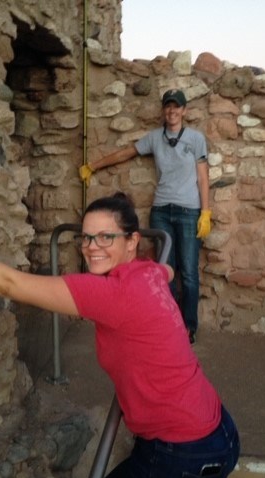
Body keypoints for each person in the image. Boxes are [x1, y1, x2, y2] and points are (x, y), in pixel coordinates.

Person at [0, 192, 239, 478]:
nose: (91, 246)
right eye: (86, 237)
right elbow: (168, 267)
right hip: (216, 429)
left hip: (184, 452)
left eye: (105, 237)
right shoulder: (146, 271)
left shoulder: (110, 294)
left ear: (132, 241)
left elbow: (9, 283)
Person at [80, 89, 211, 344]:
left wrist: (205, 212)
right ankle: (169, 321)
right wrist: (93, 166)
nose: (172, 111)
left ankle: (189, 327)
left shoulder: (195, 139)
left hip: (188, 211)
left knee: (189, 273)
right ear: (164, 110)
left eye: (177, 107)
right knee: (165, 269)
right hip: (161, 210)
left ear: (184, 111)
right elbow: (127, 152)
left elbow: (203, 177)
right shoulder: (155, 138)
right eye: (168, 107)